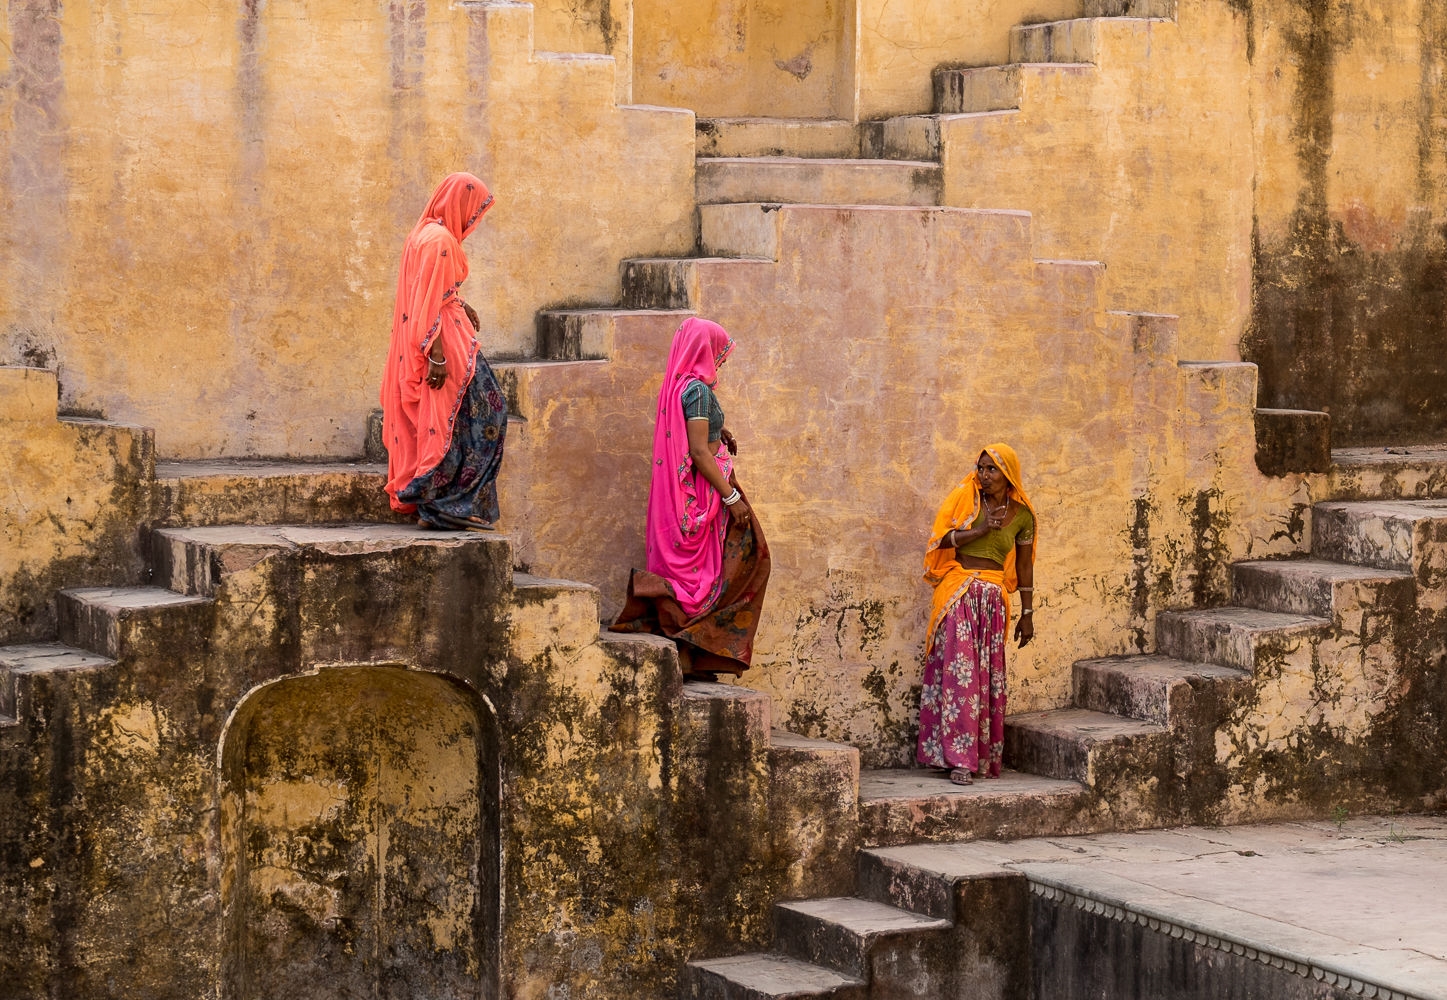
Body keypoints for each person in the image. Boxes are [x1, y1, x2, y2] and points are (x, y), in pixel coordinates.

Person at [610, 317, 771, 681]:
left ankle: (694, 651)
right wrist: (731, 498)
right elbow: (698, 452)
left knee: (710, 572)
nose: (722, 359)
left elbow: (690, 432)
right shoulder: (697, 390)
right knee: (741, 564)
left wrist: (719, 429)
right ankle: (691, 650)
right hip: (705, 492)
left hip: (687, 493)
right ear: (703, 351)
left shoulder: (678, 386)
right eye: (718, 351)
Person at [380, 172, 507, 530]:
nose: (473, 220)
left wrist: (459, 303)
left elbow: (429, 288)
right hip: (445, 343)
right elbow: (426, 302)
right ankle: (446, 504)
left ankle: (440, 505)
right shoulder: (440, 240)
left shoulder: (423, 233)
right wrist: (434, 352)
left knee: (458, 418)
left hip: (444, 332)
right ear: (460, 204)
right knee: (486, 414)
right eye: (473, 210)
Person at [916, 443, 1037, 785]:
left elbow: (1025, 565)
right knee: (960, 677)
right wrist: (982, 530)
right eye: (981, 468)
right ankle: (955, 759)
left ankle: (974, 756)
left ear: (1007, 474)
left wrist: (1028, 613)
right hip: (959, 593)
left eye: (991, 469)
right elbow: (941, 541)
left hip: (993, 601)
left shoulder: (1023, 515)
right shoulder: (966, 501)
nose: (983, 475)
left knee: (985, 679)